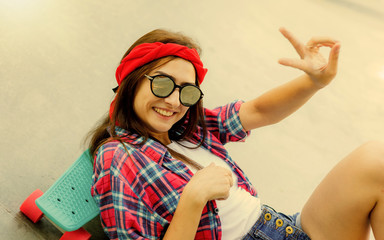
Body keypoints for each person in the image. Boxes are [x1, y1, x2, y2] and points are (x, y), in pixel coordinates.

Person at [88, 28, 384, 240]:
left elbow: (258, 111)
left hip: (282, 226)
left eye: (186, 91)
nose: (175, 101)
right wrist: (194, 197)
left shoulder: (188, 130)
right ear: (131, 81)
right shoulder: (118, 155)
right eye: (162, 85)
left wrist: (314, 82)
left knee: (376, 159)